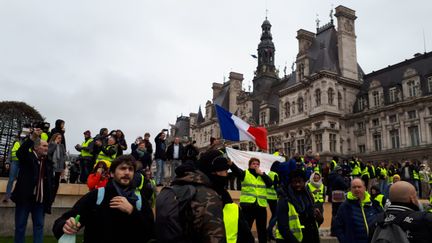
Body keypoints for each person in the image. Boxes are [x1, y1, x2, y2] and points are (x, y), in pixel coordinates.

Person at [53, 155, 155, 243]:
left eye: (130, 169)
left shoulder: (139, 198)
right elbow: (63, 220)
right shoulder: (97, 195)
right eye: (122, 168)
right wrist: (66, 225)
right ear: (111, 173)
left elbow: (151, 231)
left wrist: (132, 211)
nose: (127, 172)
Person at [11, 128, 54, 243]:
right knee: (20, 227)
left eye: (47, 146)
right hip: (25, 198)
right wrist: (33, 137)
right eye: (44, 146)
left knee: (39, 226)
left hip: (39, 200)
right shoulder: (28, 157)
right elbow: (20, 152)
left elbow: (50, 183)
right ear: (36, 147)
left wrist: (49, 200)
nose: (46, 148)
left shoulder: (48, 163)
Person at [230, 157, 272, 243]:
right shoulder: (245, 173)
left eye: (257, 164)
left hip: (261, 206)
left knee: (262, 230)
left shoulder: (262, 175)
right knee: (245, 228)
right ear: (249, 165)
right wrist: (231, 164)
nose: (256, 165)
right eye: (253, 164)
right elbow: (237, 171)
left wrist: (262, 174)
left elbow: (270, 183)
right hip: (248, 206)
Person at [275, 169, 322, 242]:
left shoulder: (309, 197)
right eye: (295, 182)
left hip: (309, 236)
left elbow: (314, 222)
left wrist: (319, 217)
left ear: (304, 182)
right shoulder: (284, 200)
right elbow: (283, 228)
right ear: (290, 183)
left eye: (300, 182)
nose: (298, 184)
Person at [333, 178, 382, 243]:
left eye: (359, 187)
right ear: (350, 189)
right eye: (354, 187)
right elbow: (337, 227)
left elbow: (382, 222)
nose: (357, 189)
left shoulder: (374, 204)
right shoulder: (345, 206)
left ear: (364, 188)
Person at [327, 165, 349, 236]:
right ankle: (337, 231)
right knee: (339, 213)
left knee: (334, 213)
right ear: (338, 171)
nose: (341, 172)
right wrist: (347, 181)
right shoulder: (339, 178)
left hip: (333, 194)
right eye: (340, 170)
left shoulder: (331, 176)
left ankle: (333, 230)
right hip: (339, 195)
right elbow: (345, 186)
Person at [48, 133, 67, 202]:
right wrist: (55, 144)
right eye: (58, 138)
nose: (60, 139)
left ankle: (53, 197)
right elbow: (49, 152)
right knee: (51, 182)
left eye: (60, 138)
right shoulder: (51, 144)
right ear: (55, 138)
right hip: (52, 165)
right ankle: (49, 196)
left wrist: (63, 163)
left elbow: (64, 155)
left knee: (56, 182)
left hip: (59, 166)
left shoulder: (62, 146)